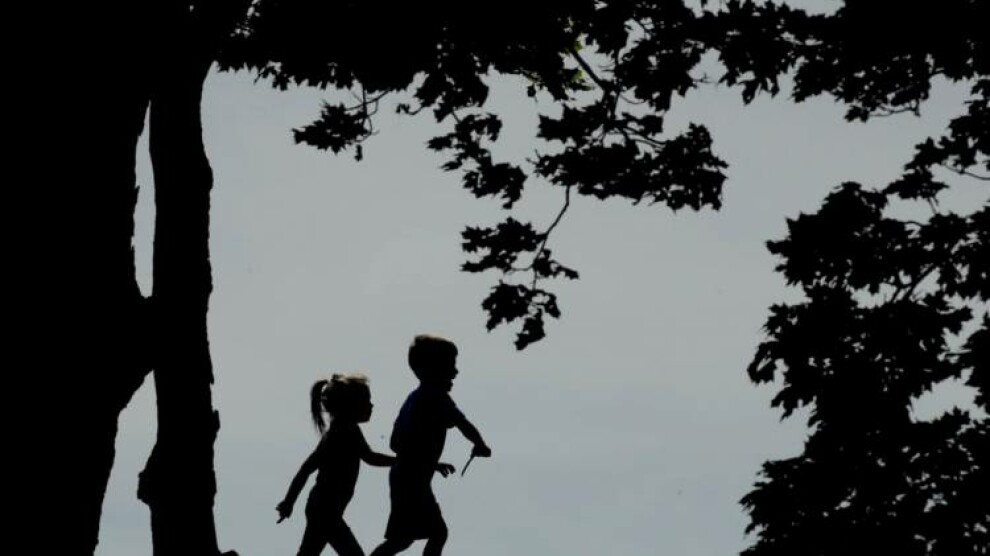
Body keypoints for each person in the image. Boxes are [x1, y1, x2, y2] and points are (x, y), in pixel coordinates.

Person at [278, 374, 438, 556]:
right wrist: (410, 462)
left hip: (322, 508)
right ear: (350, 406)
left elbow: (306, 469)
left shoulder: (340, 432)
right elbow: (370, 457)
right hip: (325, 510)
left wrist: (289, 502)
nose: (371, 406)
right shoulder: (344, 433)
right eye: (366, 401)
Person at [370, 335, 492, 556]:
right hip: (412, 479)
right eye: (450, 367)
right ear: (433, 369)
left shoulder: (413, 399)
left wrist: (429, 463)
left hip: (404, 475)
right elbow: (462, 423)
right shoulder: (437, 397)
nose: (455, 372)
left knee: (403, 538)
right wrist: (480, 444)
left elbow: (395, 443)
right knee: (436, 533)